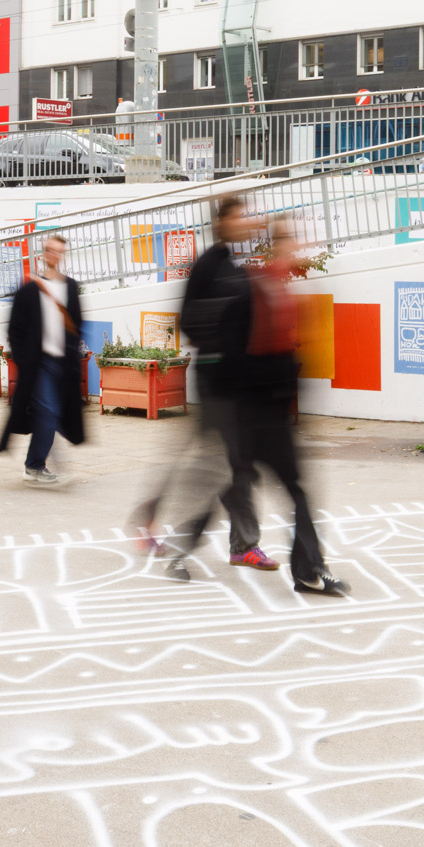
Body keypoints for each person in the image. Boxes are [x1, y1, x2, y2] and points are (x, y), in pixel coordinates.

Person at [138, 195, 276, 578]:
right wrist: (217, 347)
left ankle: (239, 544)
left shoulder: (235, 269)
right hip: (215, 387)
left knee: (235, 469)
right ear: (222, 223)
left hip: (235, 388)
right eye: (240, 217)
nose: (247, 222)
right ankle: (175, 539)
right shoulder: (207, 267)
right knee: (212, 473)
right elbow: (187, 322)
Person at [242, 221, 349, 596]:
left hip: (269, 413)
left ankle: (308, 569)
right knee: (229, 484)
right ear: (279, 247)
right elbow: (257, 351)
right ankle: (309, 570)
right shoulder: (263, 289)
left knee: (282, 489)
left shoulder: (280, 288)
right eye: (291, 243)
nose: (297, 248)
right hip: (261, 414)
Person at [0, 231, 85, 486]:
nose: (55, 255)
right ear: (44, 254)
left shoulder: (70, 286)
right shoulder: (30, 288)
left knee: (54, 414)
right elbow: (14, 328)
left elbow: (77, 323)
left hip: (63, 363)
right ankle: (34, 465)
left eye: (59, 251)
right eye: (51, 250)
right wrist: (25, 360)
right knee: (48, 411)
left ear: (63, 255)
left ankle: (35, 464)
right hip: (39, 364)